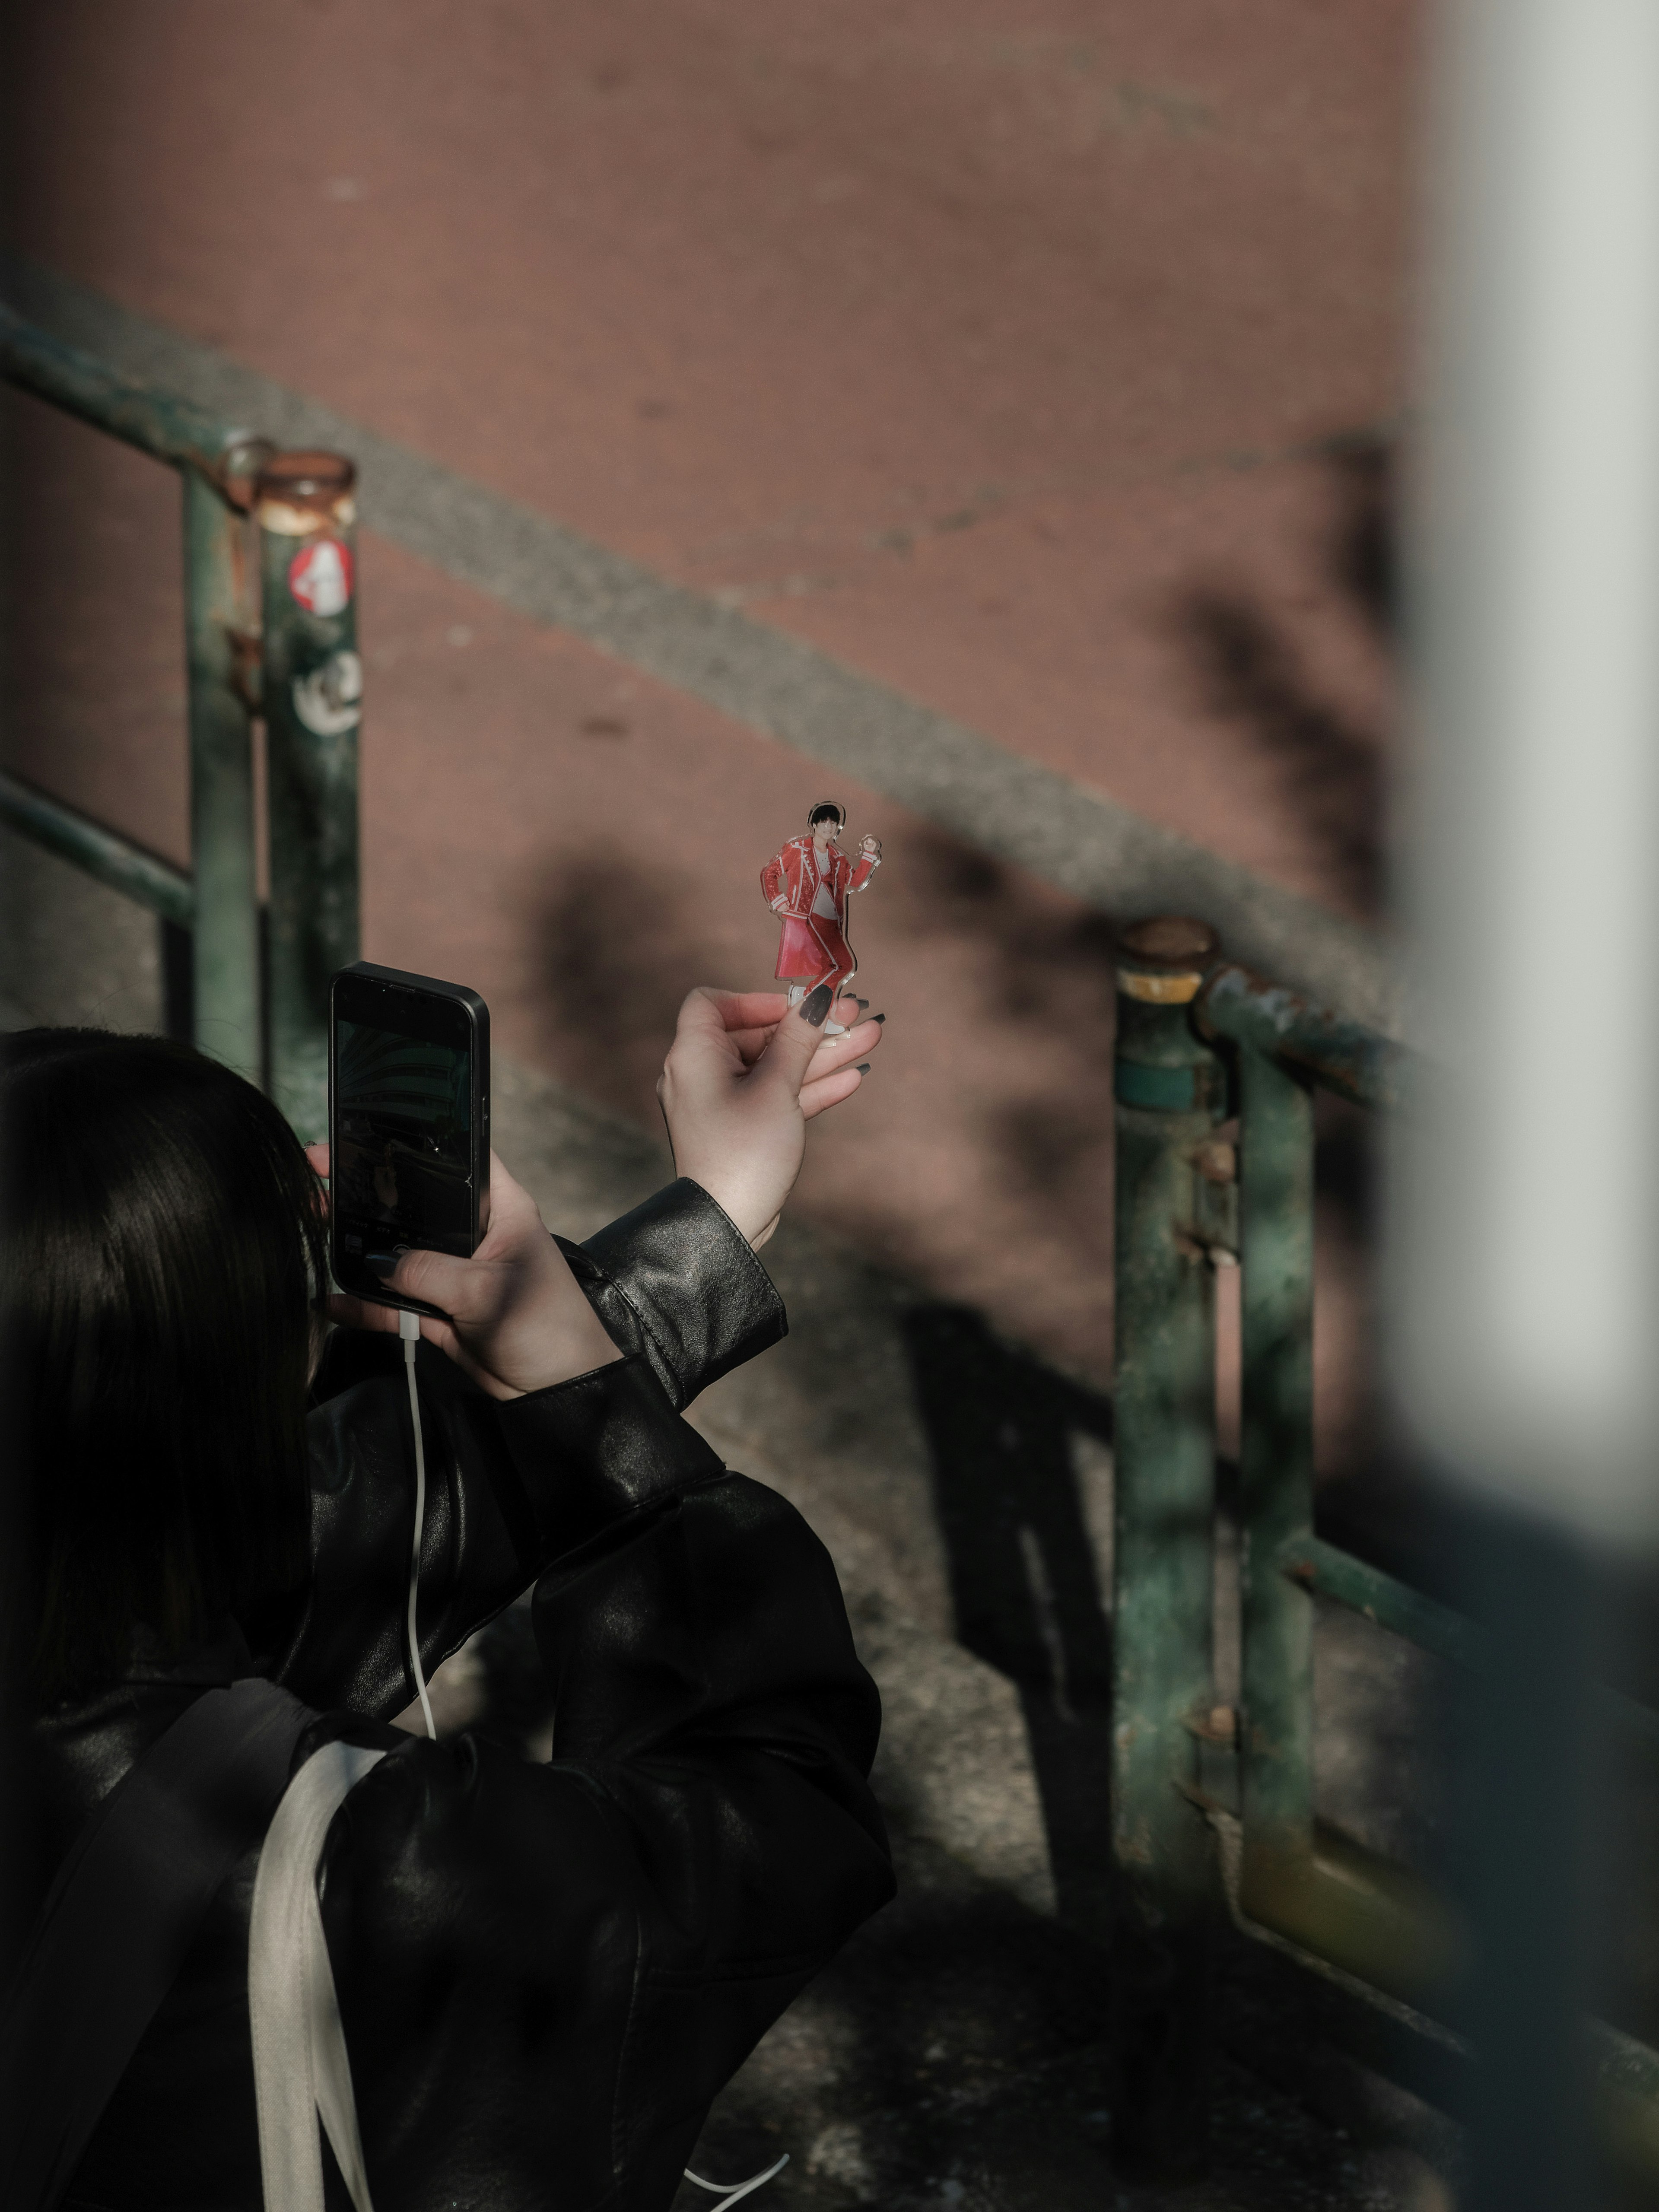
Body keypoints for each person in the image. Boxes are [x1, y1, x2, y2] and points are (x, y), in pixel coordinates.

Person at [1, 981, 890, 2210]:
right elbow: (775, 1824)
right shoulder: (361, 1869)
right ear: (230, 1416)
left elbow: (369, 1514)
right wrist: (607, 1424)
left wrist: (704, 1232)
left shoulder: (84, 1606)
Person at [760, 803, 883, 1039]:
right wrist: (778, 900)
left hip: (832, 920)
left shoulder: (837, 856)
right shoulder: (798, 848)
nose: (829, 827)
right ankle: (807, 998)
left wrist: (869, 855)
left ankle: (821, 1009)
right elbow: (770, 872)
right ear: (814, 824)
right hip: (808, 915)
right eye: (824, 822)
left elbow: (855, 882)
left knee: (833, 966)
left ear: (838, 827)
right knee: (843, 965)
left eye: (833, 823)